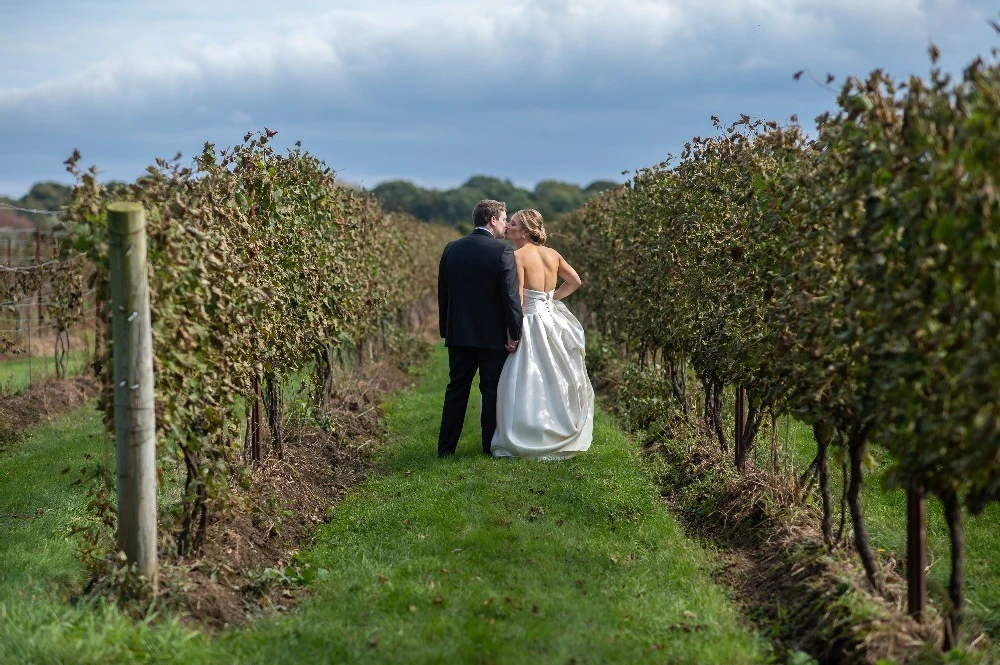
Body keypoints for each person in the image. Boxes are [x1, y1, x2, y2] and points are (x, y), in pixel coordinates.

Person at [490, 209, 594, 459]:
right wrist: (551, 299)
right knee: (556, 374)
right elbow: (575, 281)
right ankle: (558, 427)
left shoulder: (517, 256)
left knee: (528, 376)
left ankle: (529, 432)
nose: (508, 227)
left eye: (512, 224)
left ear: (525, 231)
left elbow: (518, 298)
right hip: (552, 319)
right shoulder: (553, 254)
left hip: (530, 321)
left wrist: (510, 333)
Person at [437, 199, 523, 457]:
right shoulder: (502, 252)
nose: (507, 223)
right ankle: (489, 447)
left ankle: (445, 449)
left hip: (459, 333)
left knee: (456, 389)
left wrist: (446, 328)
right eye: (504, 218)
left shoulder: (451, 248)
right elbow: (510, 297)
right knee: (491, 391)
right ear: (492, 220)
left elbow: (443, 293)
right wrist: (515, 332)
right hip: (491, 336)